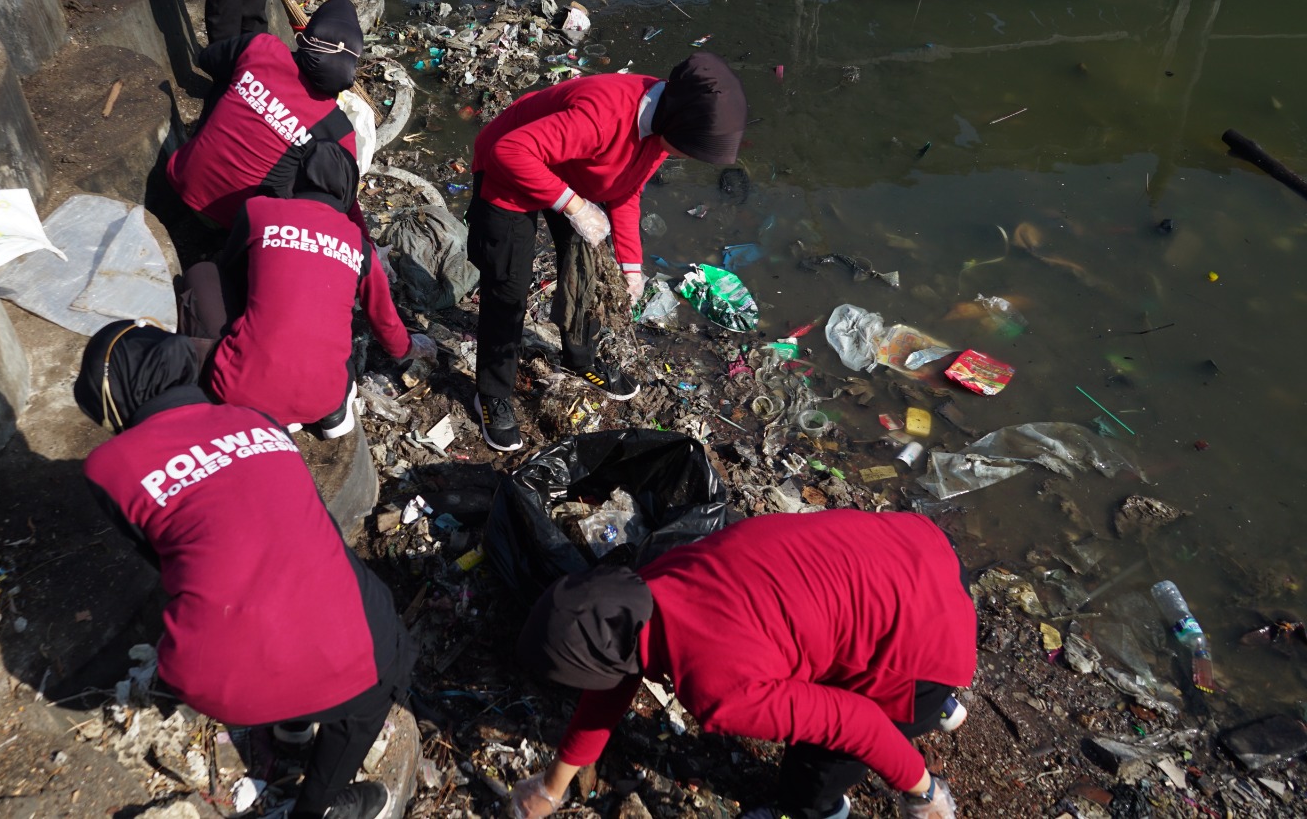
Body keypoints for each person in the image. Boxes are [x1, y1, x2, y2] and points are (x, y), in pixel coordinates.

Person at [74, 320, 412, 819]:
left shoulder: (108, 468)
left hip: (210, 678)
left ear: (113, 399)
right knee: (377, 654)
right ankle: (316, 808)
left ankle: (291, 722)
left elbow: (167, 561)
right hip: (346, 661)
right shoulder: (256, 419)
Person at [513, 510, 975, 819]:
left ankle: (925, 708)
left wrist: (923, 791)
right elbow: (610, 684)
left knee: (810, 777)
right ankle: (942, 707)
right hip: (920, 547)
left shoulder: (718, 690)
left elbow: (857, 722)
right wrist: (553, 787)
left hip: (927, 645)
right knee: (833, 634)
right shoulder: (655, 579)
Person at [464, 52, 748, 452]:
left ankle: (580, 359)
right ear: (676, 124)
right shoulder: (604, 114)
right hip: (510, 170)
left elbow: (626, 190)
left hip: (573, 170)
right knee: (508, 287)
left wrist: (631, 266)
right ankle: (493, 393)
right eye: (689, 150)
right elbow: (509, 151)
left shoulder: (664, 121)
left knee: (588, 278)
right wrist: (575, 207)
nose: (684, 157)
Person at [181, 141, 435, 436]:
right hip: (320, 399)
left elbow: (230, 268)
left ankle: (212, 381)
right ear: (348, 191)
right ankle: (334, 411)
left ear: (296, 178)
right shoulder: (360, 246)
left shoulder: (259, 210)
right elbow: (386, 324)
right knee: (331, 336)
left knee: (204, 272)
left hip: (239, 389)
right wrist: (413, 347)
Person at [167, 0, 365, 230]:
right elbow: (345, 200)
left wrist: (254, 93)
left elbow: (207, 59)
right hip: (234, 226)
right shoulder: (338, 129)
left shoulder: (262, 48)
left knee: (228, 77)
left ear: (306, 37)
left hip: (180, 179)